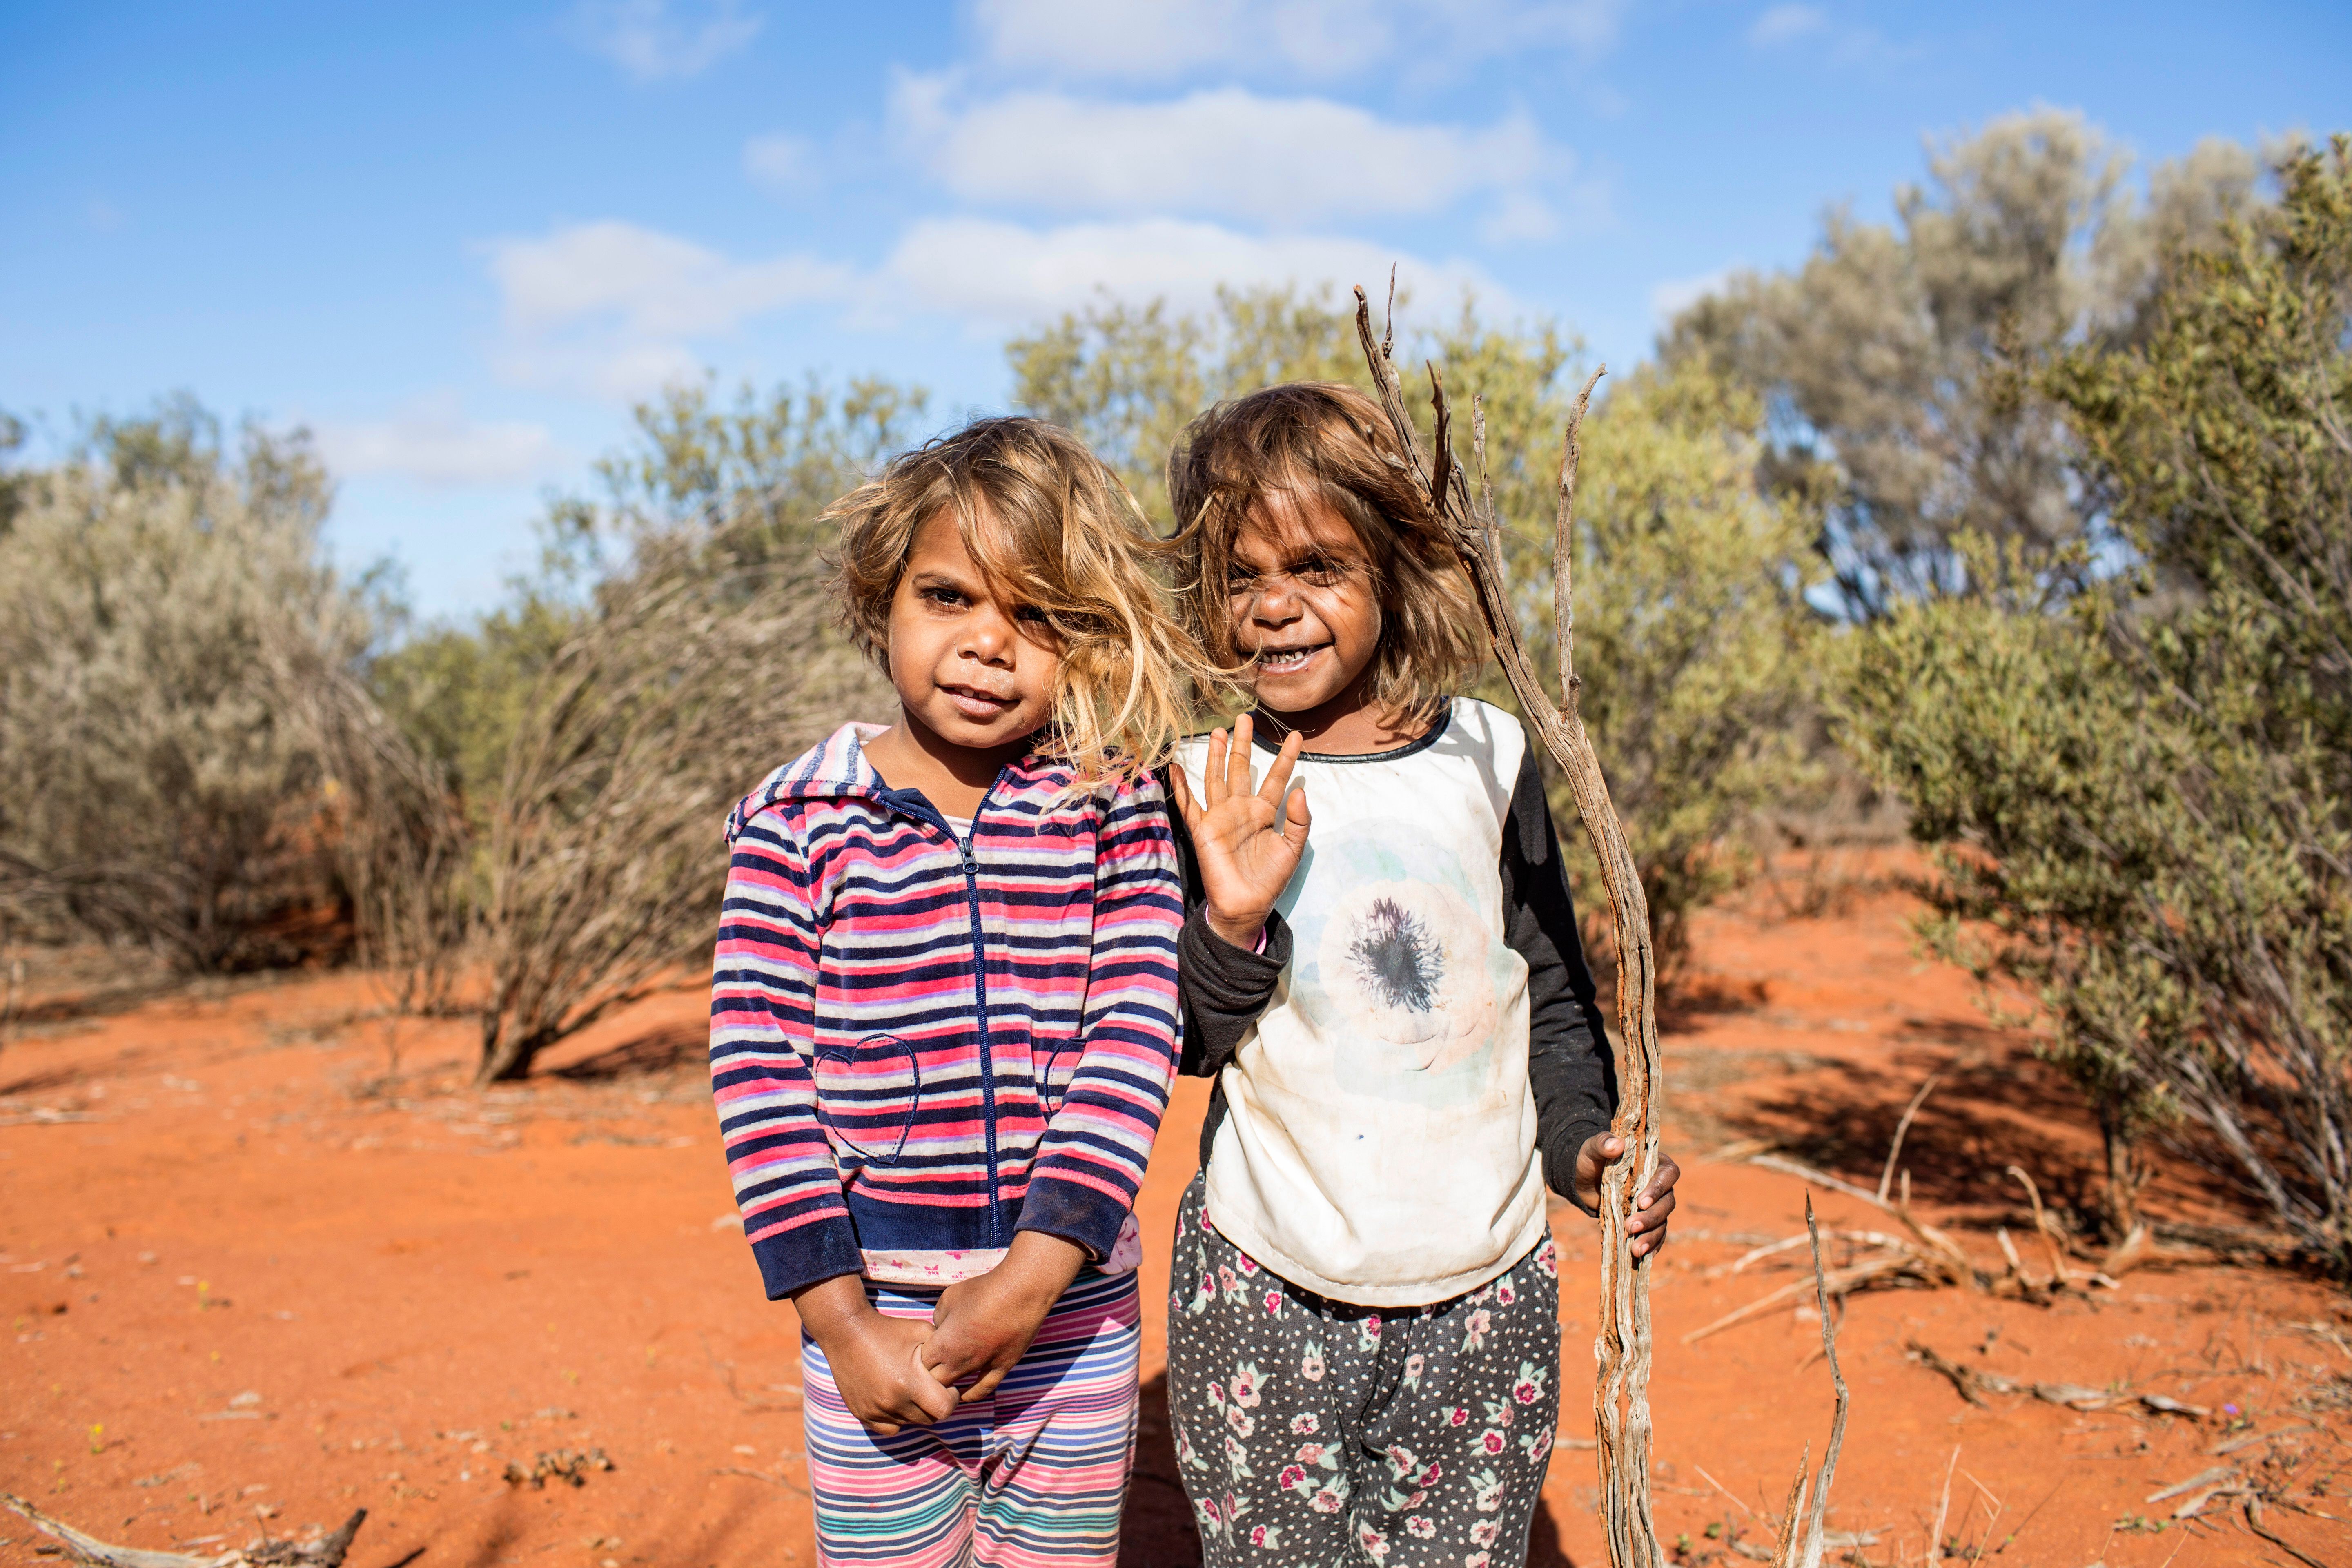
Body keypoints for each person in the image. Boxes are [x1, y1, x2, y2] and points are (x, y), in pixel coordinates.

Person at [1156, 382, 1682, 1566]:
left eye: (1317, 568)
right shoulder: (1205, 779)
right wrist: (1232, 921)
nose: (1275, 608)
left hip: (1487, 1288)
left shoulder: (1491, 756)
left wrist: (1586, 1145)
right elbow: (1184, 1041)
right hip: (1265, 1282)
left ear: (1395, 566)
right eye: (1241, 577)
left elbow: (1549, 997)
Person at [708, 417, 1200, 1568]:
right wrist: (838, 1323)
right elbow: (760, 1077)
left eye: (1038, 617)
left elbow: (1131, 1039)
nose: (990, 646)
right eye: (949, 598)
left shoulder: (1111, 809)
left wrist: (1033, 1280)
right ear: (880, 598)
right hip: (874, 1318)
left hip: (1071, 1317)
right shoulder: (797, 822)